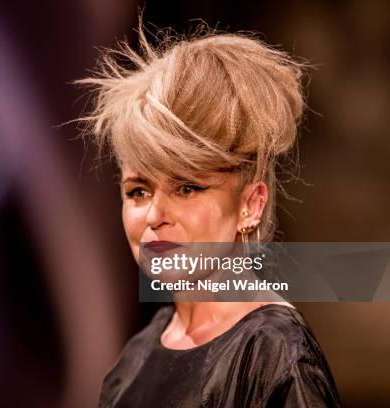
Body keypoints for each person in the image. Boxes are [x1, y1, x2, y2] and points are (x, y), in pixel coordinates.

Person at [77, 24, 341, 407]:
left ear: (251, 204)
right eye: (138, 191)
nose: (154, 214)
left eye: (186, 188)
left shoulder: (275, 353)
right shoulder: (138, 355)